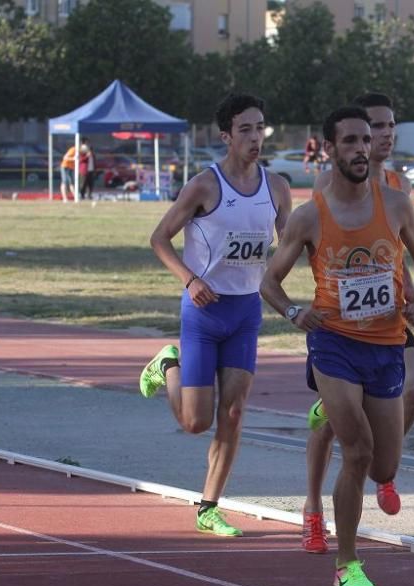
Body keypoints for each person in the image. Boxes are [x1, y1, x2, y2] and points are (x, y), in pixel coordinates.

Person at [260, 106, 414, 586]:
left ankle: (334, 409)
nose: (361, 148)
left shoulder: (396, 204)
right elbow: (269, 280)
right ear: (330, 149)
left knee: (384, 466)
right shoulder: (310, 216)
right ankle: (347, 561)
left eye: (365, 140)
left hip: (387, 346)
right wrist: (295, 313)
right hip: (333, 344)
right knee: (356, 453)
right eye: (351, 141)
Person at [138, 93, 292, 537]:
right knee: (195, 422)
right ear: (226, 136)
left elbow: (292, 242)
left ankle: (209, 506)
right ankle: (168, 363)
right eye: (244, 129)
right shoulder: (205, 185)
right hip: (204, 312)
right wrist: (189, 279)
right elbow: (159, 239)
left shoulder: (277, 187)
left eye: (259, 127)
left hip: (245, 312)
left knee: (235, 412)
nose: (254, 137)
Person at [302, 92, 414, 555]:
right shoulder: (325, 182)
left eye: (391, 125)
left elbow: (399, 249)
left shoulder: (398, 186)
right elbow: (318, 243)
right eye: (376, 127)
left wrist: (413, 289)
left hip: (388, 314)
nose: (385, 134)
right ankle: (314, 507)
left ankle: (382, 462)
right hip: (339, 321)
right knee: (330, 426)